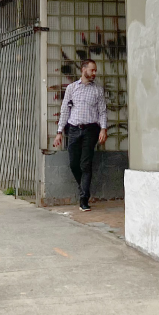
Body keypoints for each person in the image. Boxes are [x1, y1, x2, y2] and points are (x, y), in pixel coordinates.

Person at [53, 58, 108, 210]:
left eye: (95, 70)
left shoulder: (97, 90)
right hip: (74, 129)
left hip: (91, 129)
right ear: (84, 70)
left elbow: (102, 111)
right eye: (92, 70)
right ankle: (83, 188)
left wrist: (103, 129)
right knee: (73, 163)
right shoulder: (72, 88)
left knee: (86, 164)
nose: (94, 73)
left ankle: (84, 199)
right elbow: (65, 110)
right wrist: (59, 132)